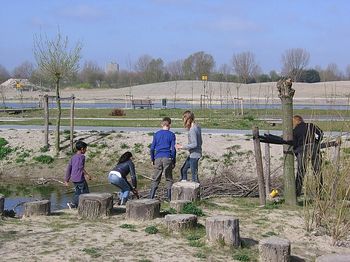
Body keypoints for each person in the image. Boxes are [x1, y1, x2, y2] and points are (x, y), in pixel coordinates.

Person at [293, 115, 323, 196]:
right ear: (302, 120)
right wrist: (317, 142)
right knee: (317, 171)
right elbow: (320, 133)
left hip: (302, 150)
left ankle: (297, 192)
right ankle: (319, 193)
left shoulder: (295, 130)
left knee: (301, 171)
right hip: (314, 148)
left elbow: (294, 144)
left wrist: (296, 152)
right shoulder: (311, 125)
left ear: (296, 121)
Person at [149, 117, 176, 201]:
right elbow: (173, 149)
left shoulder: (156, 134)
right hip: (167, 157)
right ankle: (169, 198)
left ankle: (151, 197)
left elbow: (152, 148)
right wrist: (173, 160)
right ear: (170, 125)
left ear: (162, 124)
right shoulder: (171, 135)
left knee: (156, 178)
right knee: (168, 178)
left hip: (158, 157)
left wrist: (152, 159)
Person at [176, 110, 202, 183]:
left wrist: (182, 147)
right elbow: (200, 142)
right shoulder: (197, 127)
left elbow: (194, 144)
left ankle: (196, 191)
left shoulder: (192, 130)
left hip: (195, 155)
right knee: (183, 170)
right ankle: (184, 184)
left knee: (194, 176)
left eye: (183, 119)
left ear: (187, 119)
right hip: (194, 154)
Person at [65, 141, 91, 209]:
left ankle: (74, 204)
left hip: (74, 178)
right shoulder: (82, 157)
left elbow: (69, 168)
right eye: (85, 149)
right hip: (80, 178)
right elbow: (80, 167)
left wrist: (66, 179)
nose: (86, 150)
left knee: (78, 192)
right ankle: (82, 205)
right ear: (82, 149)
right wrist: (87, 175)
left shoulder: (73, 157)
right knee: (85, 192)